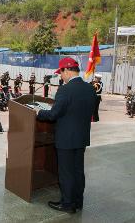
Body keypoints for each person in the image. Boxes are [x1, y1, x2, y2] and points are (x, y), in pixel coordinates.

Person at [35, 57, 96, 214]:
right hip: (81, 137)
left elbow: (54, 114)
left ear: (66, 70)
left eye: (61, 73)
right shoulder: (90, 89)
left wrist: (38, 112)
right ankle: (77, 201)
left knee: (66, 173)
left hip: (66, 139)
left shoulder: (65, 90)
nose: (60, 76)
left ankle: (67, 204)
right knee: (78, 171)